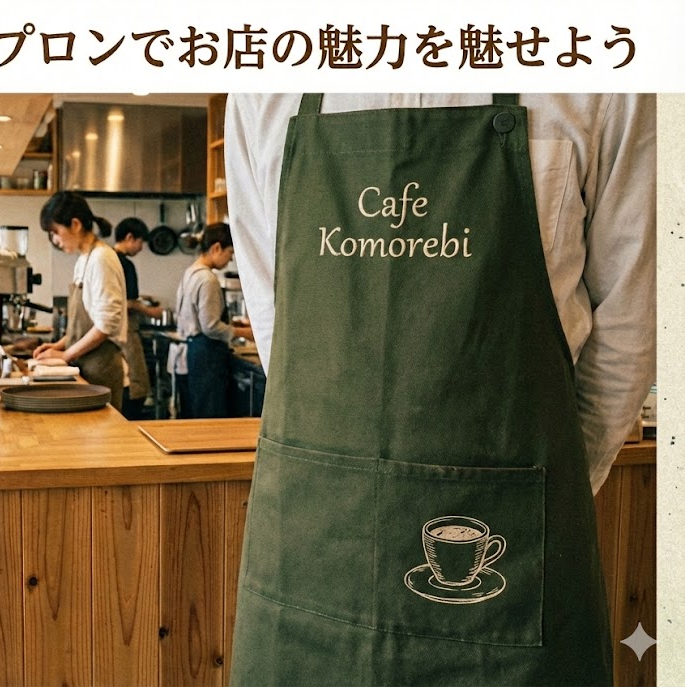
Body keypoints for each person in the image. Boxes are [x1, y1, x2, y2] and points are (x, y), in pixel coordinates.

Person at [224, 94, 655, 686]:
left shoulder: (608, 83)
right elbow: (277, 321)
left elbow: (629, 332)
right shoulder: (262, 88)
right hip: (310, 560)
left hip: (512, 570)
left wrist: (544, 495)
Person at [34, 192, 127, 412]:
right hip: (86, 364)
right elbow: (84, 325)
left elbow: (106, 325)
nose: (55, 240)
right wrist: (59, 345)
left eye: (56, 232)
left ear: (75, 225)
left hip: (101, 366)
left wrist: (66, 355)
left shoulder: (102, 258)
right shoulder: (84, 260)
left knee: (101, 431)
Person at [173, 223, 253, 418]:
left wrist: (232, 326)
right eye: (230, 252)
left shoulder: (190, 272)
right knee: (210, 418)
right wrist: (246, 333)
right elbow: (210, 327)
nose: (230, 259)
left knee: (195, 416)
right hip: (205, 357)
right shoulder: (208, 279)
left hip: (191, 353)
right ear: (216, 248)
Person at [113, 217, 164, 419]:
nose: (141, 248)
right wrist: (150, 311)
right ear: (129, 237)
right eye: (140, 242)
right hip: (125, 331)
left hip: (113, 335)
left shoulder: (107, 260)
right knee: (137, 387)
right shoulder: (125, 264)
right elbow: (127, 303)